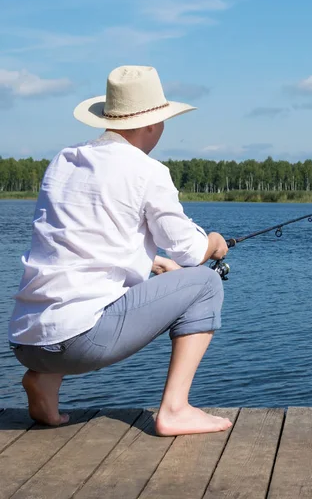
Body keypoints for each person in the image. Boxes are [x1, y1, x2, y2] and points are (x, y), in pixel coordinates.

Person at [8, 65, 232, 436]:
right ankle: (174, 410)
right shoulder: (148, 171)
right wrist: (214, 241)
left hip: (27, 340)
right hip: (77, 343)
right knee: (206, 284)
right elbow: (191, 251)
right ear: (153, 124)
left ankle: (44, 381)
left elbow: (78, 243)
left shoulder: (64, 160)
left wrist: (153, 262)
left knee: (90, 295)